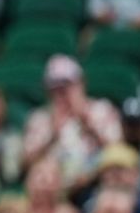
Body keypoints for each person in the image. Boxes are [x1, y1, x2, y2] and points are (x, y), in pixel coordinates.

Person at [22, 55, 123, 191]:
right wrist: (52, 134)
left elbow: (117, 152)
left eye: (66, 87)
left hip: (94, 186)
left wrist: (87, 123)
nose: (61, 93)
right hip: (51, 190)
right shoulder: (40, 118)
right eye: (55, 88)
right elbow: (26, 164)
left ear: (81, 83)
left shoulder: (101, 110)